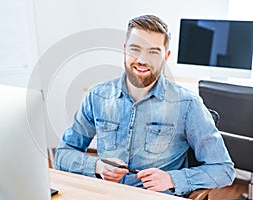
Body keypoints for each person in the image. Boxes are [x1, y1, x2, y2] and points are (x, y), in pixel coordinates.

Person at [54, 14, 235, 197]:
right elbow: (63, 154)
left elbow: (224, 169)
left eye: (153, 52)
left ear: (166, 57)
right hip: (106, 193)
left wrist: (172, 179)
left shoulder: (188, 104)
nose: (142, 59)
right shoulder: (97, 96)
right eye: (135, 49)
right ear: (124, 50)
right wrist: (97, 166)